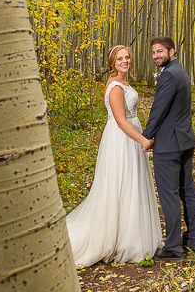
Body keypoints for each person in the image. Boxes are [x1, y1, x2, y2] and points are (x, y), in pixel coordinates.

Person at [64, 45, 163, 267]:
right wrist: (144, 141)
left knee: (132, 184)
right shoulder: (116, 86)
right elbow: (120, 121)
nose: (125, 61)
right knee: (122, 184)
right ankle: (121, 240)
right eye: (120, 59)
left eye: (127, 57)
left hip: (130, 135)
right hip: (121, 140)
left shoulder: (125, 83)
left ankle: (133, 234)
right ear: (112, 63)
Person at [142, 36, 195, 261]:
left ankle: (173, 248)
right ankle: (192, 239)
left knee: (169, 195)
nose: (156, 56)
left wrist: (147, 137)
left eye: (160, 52)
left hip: (168, 145)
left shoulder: (168, 76)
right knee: (187, 191)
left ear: (172, 52)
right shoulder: (181, 72)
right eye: (154, 52)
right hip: (185, 141)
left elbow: (158, 110)